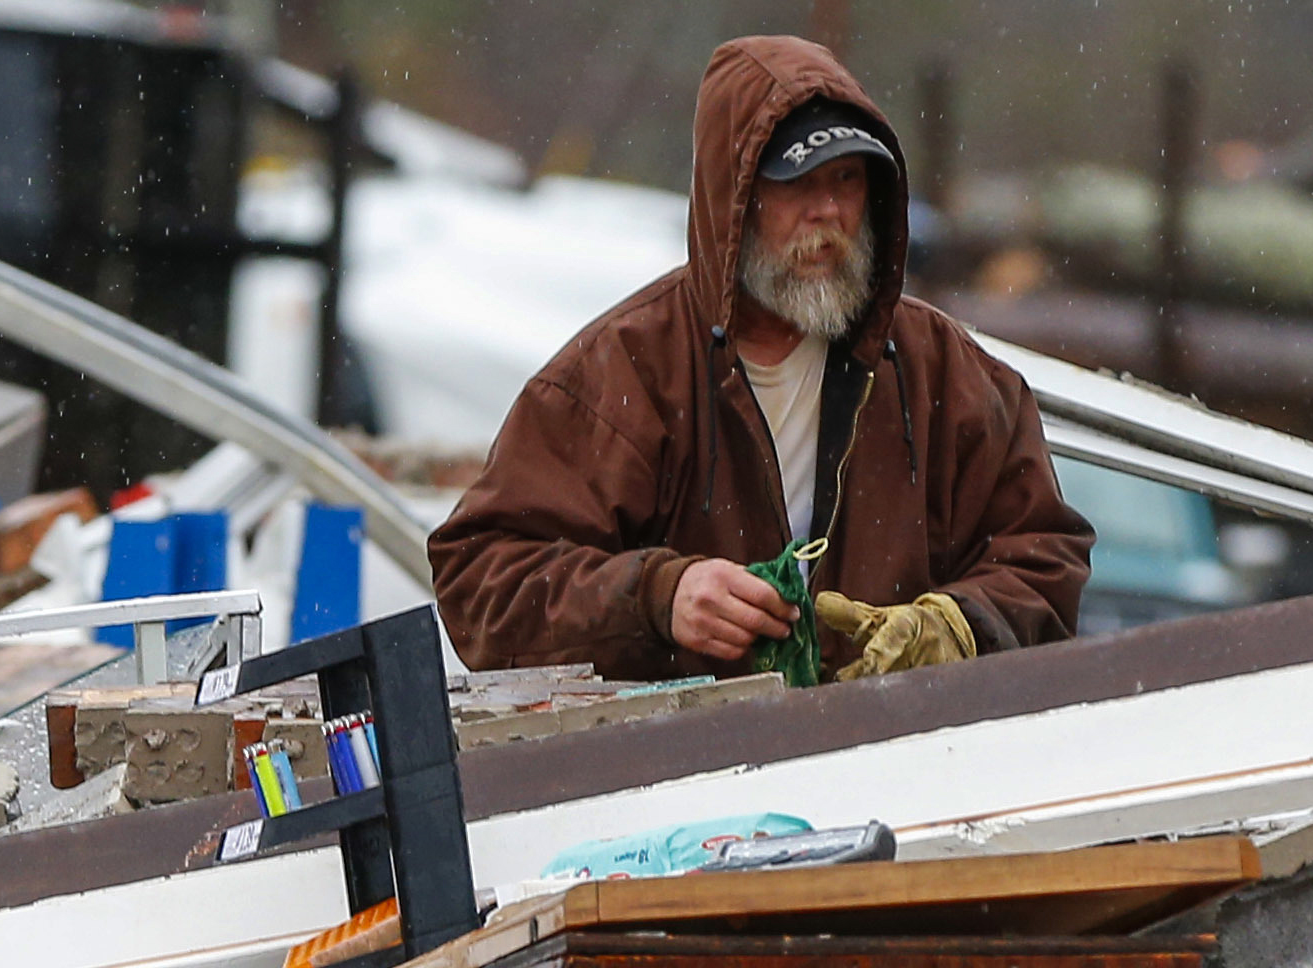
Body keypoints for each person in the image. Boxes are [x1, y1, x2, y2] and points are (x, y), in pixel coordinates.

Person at [430, 35, 1090, 681]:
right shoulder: (624, 370)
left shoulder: (944, 371)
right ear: (735, 199)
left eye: (847, 180)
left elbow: (1044, 556)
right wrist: (660, 596)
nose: (827, 212)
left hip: (904, 768)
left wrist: (957, 624)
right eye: (797, 182)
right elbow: (480, 577)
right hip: (684, 773)